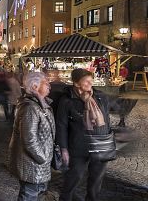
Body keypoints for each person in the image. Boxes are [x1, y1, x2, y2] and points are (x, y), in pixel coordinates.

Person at [56, 68, 112, 201]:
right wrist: (63, 149)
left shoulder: (100, 97)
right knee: (73, 178)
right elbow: (61, 126)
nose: (90, 83)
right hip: (78, 147)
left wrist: (109, 137)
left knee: (96, 181)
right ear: (76, 83)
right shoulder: (67, 101)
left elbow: (107, 120)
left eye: (91, 80)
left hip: (101, 143)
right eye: (86, 81)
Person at [9, 72, 54, 200]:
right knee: (29, 194)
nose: (49, 85)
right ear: (34, 87)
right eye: (46, 82)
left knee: (37, 193)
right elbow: (29, 140)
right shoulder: (30, 108)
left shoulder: (41, 104)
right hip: (32, 164)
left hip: (39, 164)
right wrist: (43, 158)